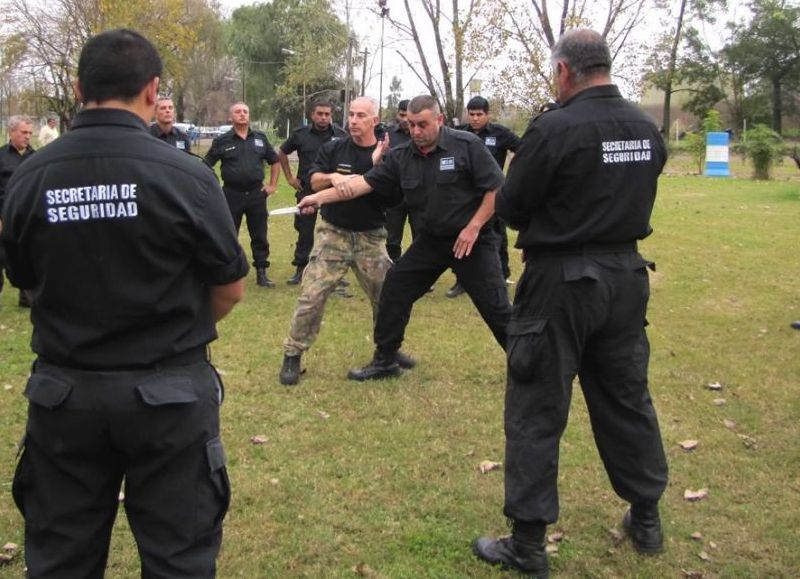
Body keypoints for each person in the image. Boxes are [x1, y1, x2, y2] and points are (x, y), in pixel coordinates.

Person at [1, 29, 248, 577]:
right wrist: (174, 331)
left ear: (77, 86)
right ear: (151, 89)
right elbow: (229, 286)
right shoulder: (187, 177)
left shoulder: (30, 178)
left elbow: (23, 277)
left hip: (66, 398)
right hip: (168, 398)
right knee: (178, 560)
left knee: (61, 560)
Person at [472, 29, 669, 578]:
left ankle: (528, 545)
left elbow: (511, 204)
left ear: (563, 71)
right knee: (627, 397)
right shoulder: (645, 127)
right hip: (626, 277)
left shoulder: (554, 128)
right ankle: (646, 516)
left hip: (562, 282)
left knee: (536, 406)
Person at [298, 95, 512, 380]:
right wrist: (317, 197)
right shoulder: (402, 156)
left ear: (439, 120)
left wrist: (473, 227)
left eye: (422, 124)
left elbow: (496, 189)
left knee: (496, 308)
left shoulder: (467, 146)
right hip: (431, 242)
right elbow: (362, 183)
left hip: (472, 241)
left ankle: (527, 363)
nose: (416, 131)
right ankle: (385, 360)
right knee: (394, 289)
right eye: (411, 125)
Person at [279, 97, 413, 385]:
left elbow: (391, 197)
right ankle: (293, 354)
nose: (353, 120)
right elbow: (313, 181)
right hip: (333, 234)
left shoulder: (388, 154)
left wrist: (375, 166)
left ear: (374, 121)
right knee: (311, 296)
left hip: (370, 236)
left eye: (360, 115)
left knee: (387, 297)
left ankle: (388, 351)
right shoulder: (334, 146)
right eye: (350, 114)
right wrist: (332, 177)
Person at [448, 96, 521, 298]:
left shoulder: (500, 133)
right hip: (467, 196)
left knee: (498, 237)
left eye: (479, 114)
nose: (475, 118)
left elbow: (523, 150)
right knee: (463, 235)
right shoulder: (460, 133)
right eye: (472, 114)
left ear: (487, 114)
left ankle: (502, 277)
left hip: (494, 193)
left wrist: (512, 175)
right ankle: (462, 281)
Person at [205, 101, 280, 287]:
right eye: (238, 112)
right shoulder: (222, 141)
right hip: (231, 194)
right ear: (231, 117)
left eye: (245, 111)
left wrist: (271, 185)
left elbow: (275, 161)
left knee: (260, 234)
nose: (242, 114)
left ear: (249, 115)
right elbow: (206, 165)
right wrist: (214, 188)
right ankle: (229, 273)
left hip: (256, 194)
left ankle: (261, 272)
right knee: (229, 234)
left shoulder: (260, 138)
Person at [278, 100, 346, 285]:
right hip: (307, 189)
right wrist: (290, 178)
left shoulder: (340, 135)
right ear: (312, 115)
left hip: (333, 190)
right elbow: (282, 152)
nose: (324, 117)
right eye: (320, 113)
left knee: (335, 230)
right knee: (305, 231)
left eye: (327, 114)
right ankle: (301, 269)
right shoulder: (300, 135)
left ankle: (335, 272)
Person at [0, 114, 36, 307]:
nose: (27, 136)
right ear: (11, 132)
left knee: (27, 256)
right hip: (3, 217)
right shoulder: (1, 157)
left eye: (30, 133)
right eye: (23, 132)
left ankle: (27, 298)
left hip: (27, 217)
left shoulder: (36, 157)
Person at [384, 98, 417, 261]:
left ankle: (421, 273)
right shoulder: (387, 134)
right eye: (401, 115)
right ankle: (392, 270)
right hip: (395, 194)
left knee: (420, 236)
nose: (405, 120)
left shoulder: (421, 133)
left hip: (418, 193)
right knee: (392, 238)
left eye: (408, 116)